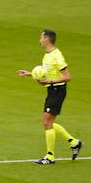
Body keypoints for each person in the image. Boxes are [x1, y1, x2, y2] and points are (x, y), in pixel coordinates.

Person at [18, 29, 81, 165]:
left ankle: (50, 156)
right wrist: (30, 74)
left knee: (46, 122)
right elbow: (47, 72)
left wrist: (49, 82)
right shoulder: (47, 55)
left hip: (58, 90)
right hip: (52, 91)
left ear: (46, 39)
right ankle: (74, 143)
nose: (40, 40)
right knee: (48, 123)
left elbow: (67, 77)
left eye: (41, 38)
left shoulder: (57, 56)